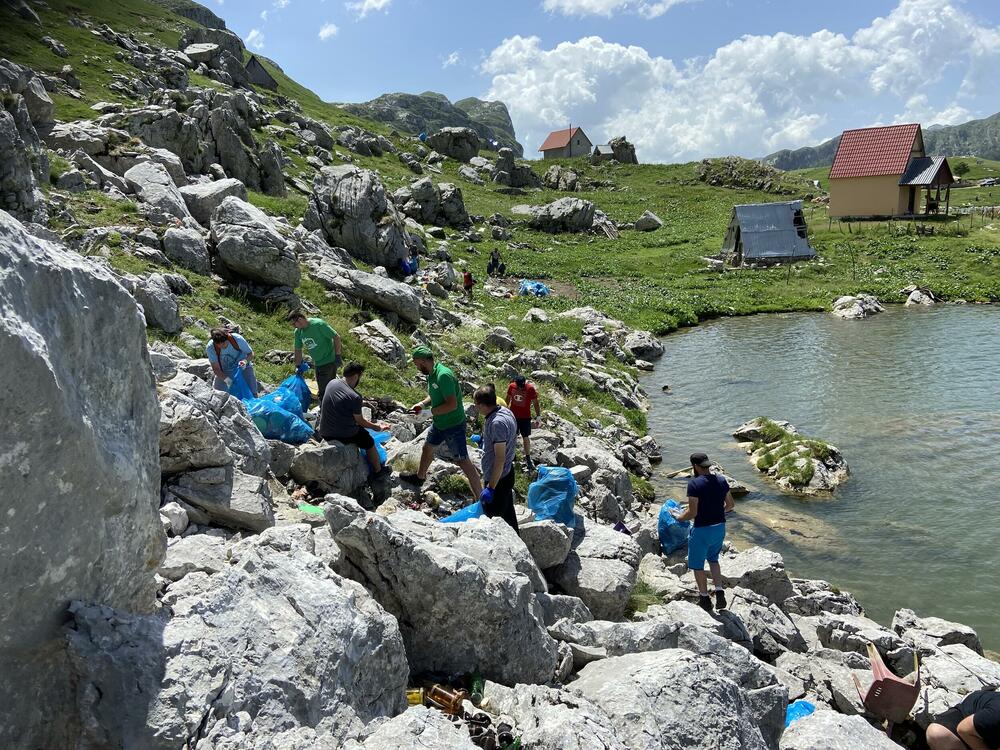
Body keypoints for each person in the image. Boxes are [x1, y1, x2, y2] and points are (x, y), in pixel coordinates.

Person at [400, 346, 482, 497]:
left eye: (417, 364)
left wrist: (429, 413)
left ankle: (481, 497)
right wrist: (421, 405)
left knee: (463, 461)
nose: (416, 367)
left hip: (453, 425)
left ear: (424, 361)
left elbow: (452, 405)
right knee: (427, 448)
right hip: (439, 423)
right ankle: (420, 478)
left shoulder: (443, 375)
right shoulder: (432, 374)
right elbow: (436, 395)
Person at [672, 452, 735, 613]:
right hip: (719, 528)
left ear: (695, 466)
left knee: (697, 565)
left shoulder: (694, 484)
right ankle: (720, 593)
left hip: (701, 530)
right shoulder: (721, 480)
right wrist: (716, 512)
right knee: (713, 560)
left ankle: (705, 599)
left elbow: (692, 512)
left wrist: (679, 517)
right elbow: (730, 505)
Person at [319, 362, 390, 479]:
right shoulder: (355, 396)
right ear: (356, 376)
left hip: (324, 430)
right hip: (340, 434)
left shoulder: (332, 382)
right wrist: (377, 427)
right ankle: (378, 471)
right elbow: (360, 421)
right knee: (368, 441)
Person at [473, 385, 519, 532]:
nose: (475, 407)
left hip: (498, 479)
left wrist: (491, 487)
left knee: (494, 523)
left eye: (476, 404)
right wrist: (484, 441)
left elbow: (500, 458)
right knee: (509, 517)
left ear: (482, 405)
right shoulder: (505, 411)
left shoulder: (497, 423)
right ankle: (517, 539)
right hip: (507, 473)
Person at [288, 309, 342, 400]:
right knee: (323, 388)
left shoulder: (318, 324)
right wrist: (298, 365)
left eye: (294, 324)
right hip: (317, 363)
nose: (293, 326)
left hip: (329, 360)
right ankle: (328, 404)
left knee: (324, 391)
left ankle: (325, 406)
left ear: (300, 319)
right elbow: (298, 349)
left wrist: (337, 355)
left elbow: (336, 337)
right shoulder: (298, 332)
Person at [927, 690, 1000, 750]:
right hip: (963, 727)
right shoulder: (994, 715)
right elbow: (963, 729)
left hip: (987, 731)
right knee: (937, 734)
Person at [206, 328, 258, 396]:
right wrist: (229, 381)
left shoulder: (237, 339)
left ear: (227, 338)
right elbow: (216, 369)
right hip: (224, 372)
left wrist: (245, 361)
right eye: (218, 344)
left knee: (252, 392)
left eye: (224, 343)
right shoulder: (210, 347)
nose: (222, 346)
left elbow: (250, 354)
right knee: (218, 396)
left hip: (243, 368)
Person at [506, 375, 541, 471]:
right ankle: (511, 456)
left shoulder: (530, 389)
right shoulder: (512, 386)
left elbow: (535, 403)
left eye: (522, 386)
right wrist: (505, 410)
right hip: (513, 416)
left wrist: (538, 416)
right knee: (512, 436)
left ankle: (528, 457)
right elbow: (508, 398)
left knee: (525, 437)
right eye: (519, 386)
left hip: (525, 417)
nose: (520, 388)